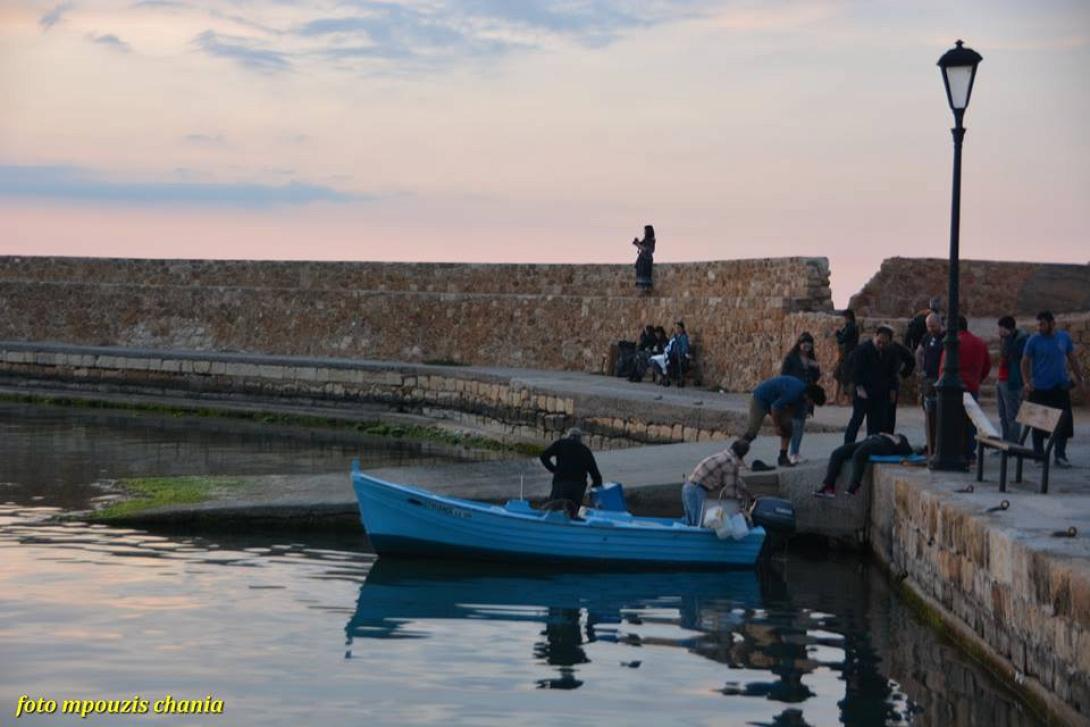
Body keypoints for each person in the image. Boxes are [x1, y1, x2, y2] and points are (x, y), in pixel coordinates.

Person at [1021, 311, 1084, 468]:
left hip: (1060, 387)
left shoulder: (1064, 338)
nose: (1039, 327)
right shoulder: (1033, 340)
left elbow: (1072, 358)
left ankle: (1060, 455)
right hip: (1040, 388)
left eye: (1042, 324)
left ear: (1052, 323)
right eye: (1038, 324)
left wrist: (1080, 378)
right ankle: (1038, 455)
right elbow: (1025, 362)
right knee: (1038, 424)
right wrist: (1026, 382)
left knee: (1063, 422)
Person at [844, 325, 913, 443]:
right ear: (875, 337)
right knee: (857, 420)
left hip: (880, 393)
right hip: (864, 391)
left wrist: (893, 388)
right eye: (879, 342)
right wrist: (859, 387)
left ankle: (871, 447)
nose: (881, 345)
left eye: (884, 343)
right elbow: (854, 370)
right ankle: (847, 446)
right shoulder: (862, 350)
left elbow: (891, 372)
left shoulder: (890, 351)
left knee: (875, 424)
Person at [741, 375, 827, 468]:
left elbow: (792, 413)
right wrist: (777, 426)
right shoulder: (794, 392)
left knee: (788, 427)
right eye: (813, 402)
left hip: (775, 401)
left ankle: (783, 457)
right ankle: (735, 455)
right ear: (809, 397)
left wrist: (785, 424)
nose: (812, 405)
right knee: (752, 431)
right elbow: (775, 407)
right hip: (760, 399)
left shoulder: (803, 401)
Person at [939, 316, 991, 460]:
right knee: (970, 422)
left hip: (953, 389)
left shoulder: (953, 343)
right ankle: (969, 452)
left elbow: (943, 367)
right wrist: (977, 379)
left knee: (953, 421)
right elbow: (987, 365)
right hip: (972, 386)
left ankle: (954, 451)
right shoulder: (979, 343)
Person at [813, 433, 913, 497]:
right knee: (837, 453)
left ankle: (854, 486)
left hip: (881, 445)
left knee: (859, 454)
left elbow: (909, 452)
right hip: (869, 440)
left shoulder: (902, 441)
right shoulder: (890, 435)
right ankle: (828, 486)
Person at [681, 440, 752, 526]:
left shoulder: (724, 455)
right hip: (696, 491)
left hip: (688, 487)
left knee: (690, 522)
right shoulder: (731, 464)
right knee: (697, 524)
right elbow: (730, 492)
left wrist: (748, 493)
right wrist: (741, 505)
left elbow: (736, 479)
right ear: (743, 454)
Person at [539, 427, 603, 517]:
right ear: (580, 439)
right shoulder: (585, 450)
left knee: (553, 512)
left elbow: (543, 456)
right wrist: (592, 492)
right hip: (578, 488)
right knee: (572, 514)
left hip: (561, 484)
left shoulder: (560, 443)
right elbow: (596, 476)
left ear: (568, 436)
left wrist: (554, 470)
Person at [780, 332, 821, 464]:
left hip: (806, 397)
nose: (806, 346)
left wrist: (816, 368)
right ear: (799, 344)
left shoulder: (811, 360)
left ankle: (796, 452)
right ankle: (791, 453)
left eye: (809, 344)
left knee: (801, 425)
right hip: (793, 395)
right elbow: (783, 375)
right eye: (804, 343)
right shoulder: (791, 358)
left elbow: (815, 378)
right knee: (794, 425)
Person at [914, 312, 945, 455]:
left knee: (940, 414)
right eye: (928, 326)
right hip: (928, 379)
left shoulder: (945, 338)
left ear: (940, 324)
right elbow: (918, 352)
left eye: (933, 326)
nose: (931, 329)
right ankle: (930, 444)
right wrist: (921, 369)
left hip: (940, 379)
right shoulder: (926, 337)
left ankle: (940, 443)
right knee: (928, 413)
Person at [996, 315, 1029, 443]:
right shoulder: (1005, 338)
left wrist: (1008, 338)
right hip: (1001, 379)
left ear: (1009, 329)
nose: (998, 331)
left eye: (1001, 328)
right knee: (1002, 415)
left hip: (1012, 381)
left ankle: (1012, 445)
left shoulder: (1021, 340)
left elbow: (1010, 354)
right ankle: (1005, 442)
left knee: (1012, 415)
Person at [650, 321, 690, 387]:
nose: (677, 330)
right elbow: (669, 346)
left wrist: (681, 353)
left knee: (667, 360)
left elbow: (684, 349)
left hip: (677, 356)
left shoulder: (683, 338)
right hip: (671, 355)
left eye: (678, 328)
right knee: (654, 360)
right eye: (676, 328)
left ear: (682, 329)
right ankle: (663, 375)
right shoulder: (674, 338)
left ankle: (664, 376)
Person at [833, 310, 859, 405]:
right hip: (844, 355)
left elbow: (842, 339)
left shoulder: (851, 327)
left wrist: (837, 333)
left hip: (848, 355)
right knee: (838, 375)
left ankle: (848, 400)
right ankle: (837, 399)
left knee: (846, 377)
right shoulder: (850, 327)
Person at [633, 224, 655, 292]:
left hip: (646, 260)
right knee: (641, 275)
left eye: (645, 231)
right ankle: (643, 290)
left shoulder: (651, 240)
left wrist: (639, 245)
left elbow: (648, 249)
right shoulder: (645, 239)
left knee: (645, 276)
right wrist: (637, 243)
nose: (644, 232)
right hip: (642, 260)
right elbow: (641, 245)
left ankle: (645, 290)